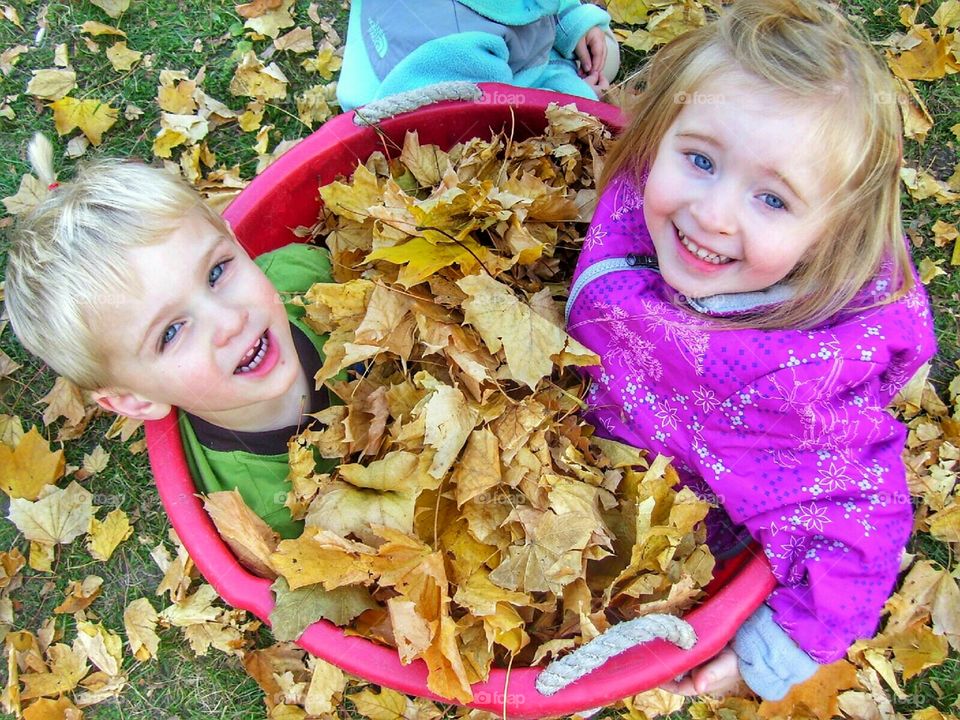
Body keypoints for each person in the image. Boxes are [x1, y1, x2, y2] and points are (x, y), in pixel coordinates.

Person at [565, 0, 937, 701]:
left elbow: (860, 521)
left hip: (653, 532)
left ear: (830, 235)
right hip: (588, 427)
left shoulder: (789, 386)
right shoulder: (654, 193)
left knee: (569, 649)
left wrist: (770, 651)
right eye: (701, 158)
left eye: (772, 201)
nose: (713, 212)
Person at [5, 135, 337, 539]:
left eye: (216, 272)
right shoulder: (260, 510)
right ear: (132, 399)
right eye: (172, 332)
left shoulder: (303, 276)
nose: (229, 320)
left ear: (233, 240)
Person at [336, 0, 620, 111]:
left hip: (487, 63)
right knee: (606, 64)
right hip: (423, 105)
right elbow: (498, 111)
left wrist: (570, 20)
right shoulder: (455, 40)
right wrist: (575, 101)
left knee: (603, 50)